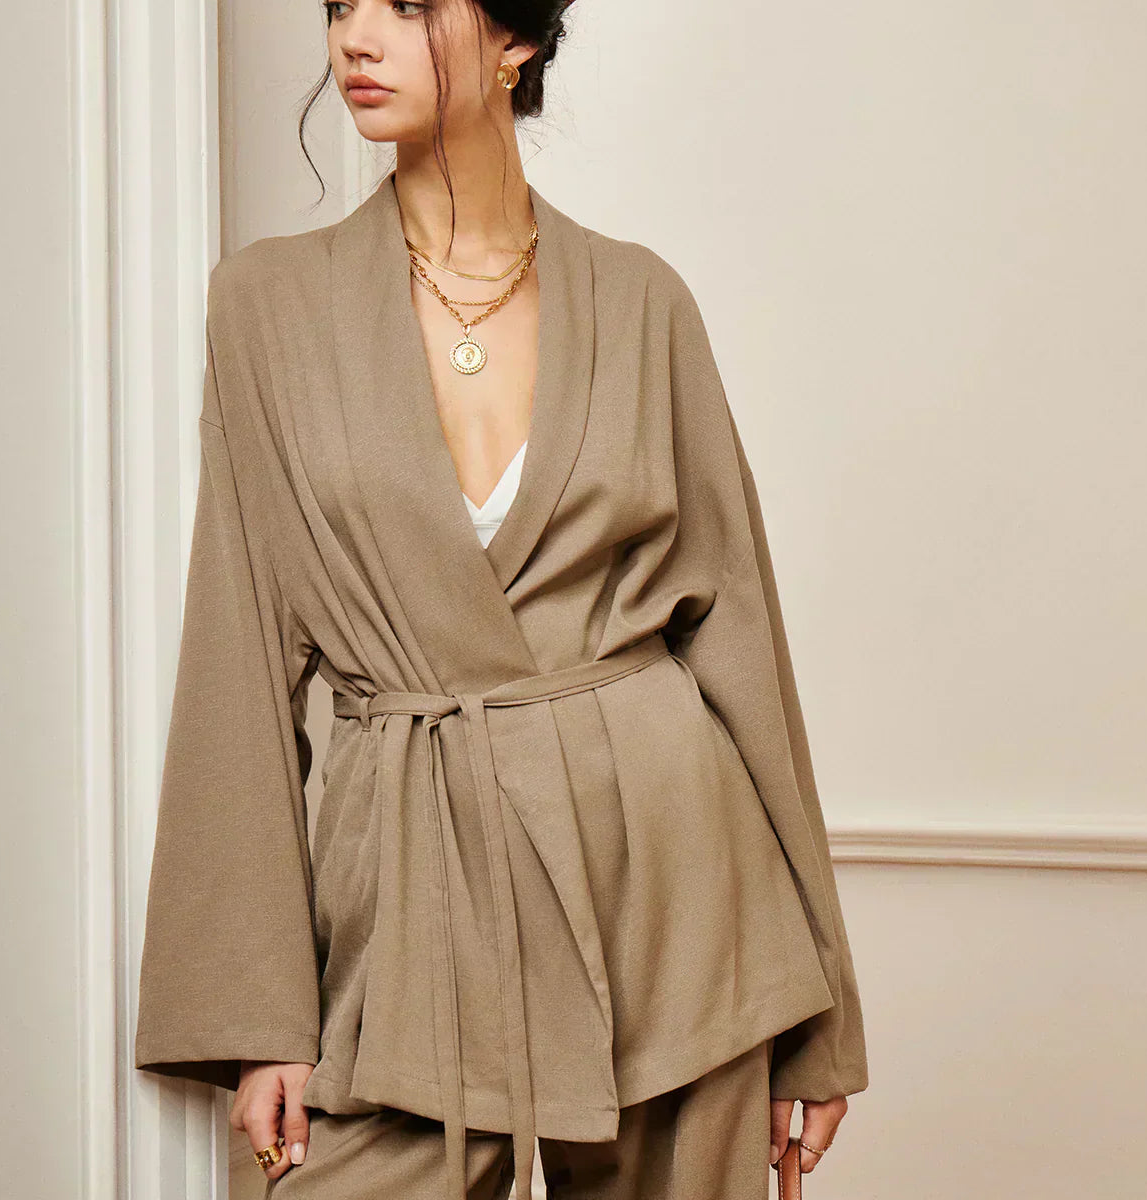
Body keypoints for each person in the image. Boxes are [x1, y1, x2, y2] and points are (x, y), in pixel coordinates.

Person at [133, 2, 870, 1197]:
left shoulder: (642, 300)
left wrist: (820, 1018)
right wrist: (261, 1013)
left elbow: (741, 641)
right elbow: (239, 648)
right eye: (340, 6)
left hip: (668, 890)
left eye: (410, 6)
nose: (355, 39)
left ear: (515, 41)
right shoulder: (267, 307)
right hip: (410, 888)